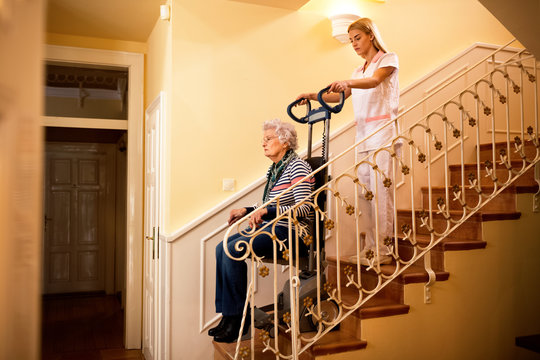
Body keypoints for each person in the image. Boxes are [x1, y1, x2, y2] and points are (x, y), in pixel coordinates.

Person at [296, 17, 399, 266]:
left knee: (380, 193)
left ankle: (383, 250)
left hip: (383, 134)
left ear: (370, 36)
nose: (353, 43)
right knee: (366, 196)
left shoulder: (388, 59)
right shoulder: (358, 70)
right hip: (363, 137)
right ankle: (371, 248)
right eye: (351, 39)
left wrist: (347, 82)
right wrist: (312, 95)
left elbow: (374, 81)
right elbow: (341, 94)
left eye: (358, 38)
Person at [209, 119, 314, 343]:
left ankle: (238, 319)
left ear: (285, 142)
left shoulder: (298, 166)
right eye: (263, 140)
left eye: (268, 139)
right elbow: (270, 206)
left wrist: (268, 211)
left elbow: (304, 208)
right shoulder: (276, 169)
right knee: (222, 248)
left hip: (293, 231)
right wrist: (247, 210)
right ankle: (229, 315)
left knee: (232, 250)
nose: (263, 144)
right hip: (275, 227)